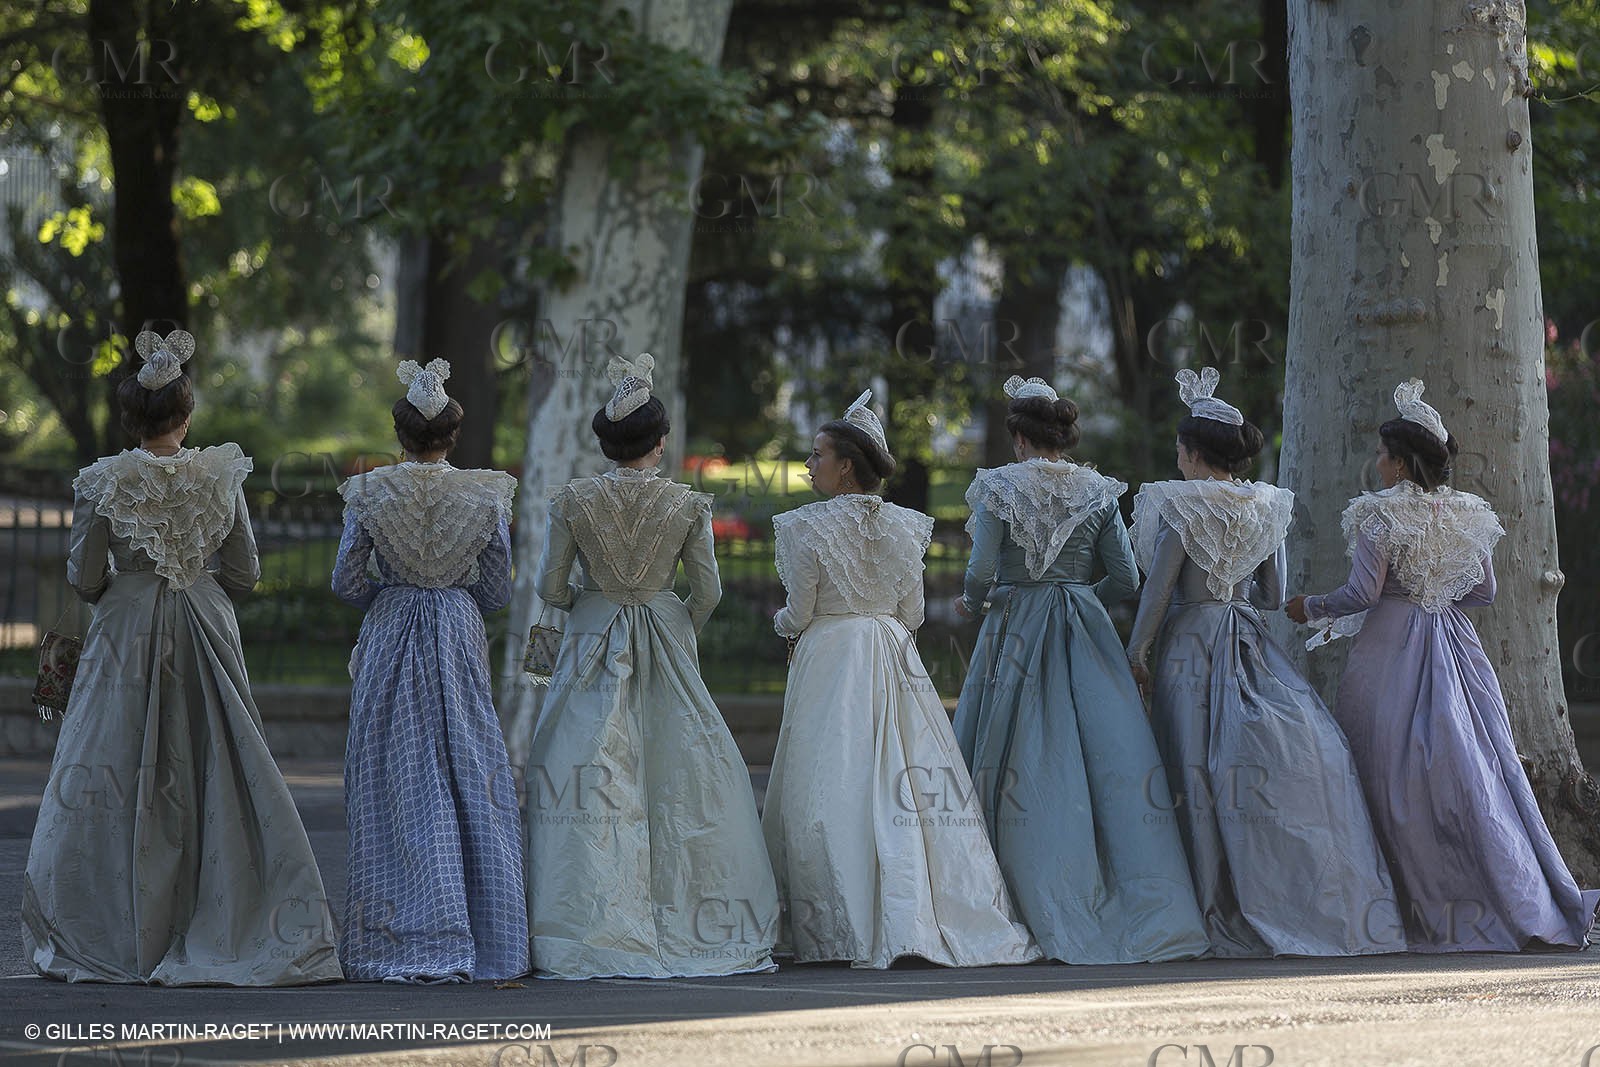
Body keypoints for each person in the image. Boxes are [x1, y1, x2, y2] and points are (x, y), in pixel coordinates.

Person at [22, 329, 341, 985]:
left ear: (130, 418)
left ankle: (119, 924)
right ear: (186, 415)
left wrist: (130, 586)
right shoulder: (221, 474)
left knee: (117, 766)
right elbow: (245, 572)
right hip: (204, 624)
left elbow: (85, 576)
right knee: (214, 765)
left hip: (126, 628)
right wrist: (195, 583)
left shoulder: (105, 480)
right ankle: (225, 914)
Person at [1286, 378, 1599, 952]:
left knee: (1382, 768)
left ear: (1402, 463)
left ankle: (1395, 902)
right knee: (1475, 771)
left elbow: (1361, 594)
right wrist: (1436, 592)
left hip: (1389, 653)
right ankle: (1505, 895)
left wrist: (1310, 607)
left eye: (1383, 454)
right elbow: (1484, 591)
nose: (1377, 463)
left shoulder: (1380, 515)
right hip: (1454, 645)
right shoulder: (1467, 514)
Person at [762, 388, 1040, 969]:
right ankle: (913, 910)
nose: (809, 464)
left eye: (817, 454)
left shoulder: (804, 526)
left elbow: (801, 610)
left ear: (845, 466)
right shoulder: (907, 526)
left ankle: (837, 923)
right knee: (905, 780)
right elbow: (911, 612)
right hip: (891, 651)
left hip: (833, 656)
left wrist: (781, 625)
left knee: (832, 776)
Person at [523, 353, 778, 979]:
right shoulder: (686, 504)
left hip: (592, 636)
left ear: (605, 443)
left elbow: (550, 587)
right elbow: (709, 592)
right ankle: (693, 914)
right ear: (660, 442)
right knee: (681, 771)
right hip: (666, 633)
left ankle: (593, 916)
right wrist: (675, 625)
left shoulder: (574, 500)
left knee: (590, 771)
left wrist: (590, 604)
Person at [1126, 367, 1395, 957]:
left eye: (1181, 449)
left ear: (1195, 452)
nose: (1177, 457)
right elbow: (1273, 597)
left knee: (1190, 767)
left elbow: (1158, 591)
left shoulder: (1183, 506)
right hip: (1246, 639)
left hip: (1189, 644)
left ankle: (1204, 896)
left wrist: (1137, 651)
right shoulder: (1265, 506)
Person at [951, 375, 1208, 964]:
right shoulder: (1096, 490)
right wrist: (1080, 596)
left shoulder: (998, 487)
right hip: (1081, 625)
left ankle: (999, 889)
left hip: (1015, 622)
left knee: (1008, 748)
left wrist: (974, 601)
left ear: (1020, 438)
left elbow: (981, 569)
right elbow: (1126, 576)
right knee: (1101, 753)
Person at [333, 358, 527, 983]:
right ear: (452, 434)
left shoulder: (369, 492)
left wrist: (391, 596)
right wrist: (449, 594)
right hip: (456, 631)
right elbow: (497, 589)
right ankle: (484, 933)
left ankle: (396, 933)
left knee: (392, 776)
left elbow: (346, 581)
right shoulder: (484, 493)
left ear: (401, 434)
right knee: (469, 767)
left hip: (392, 630)